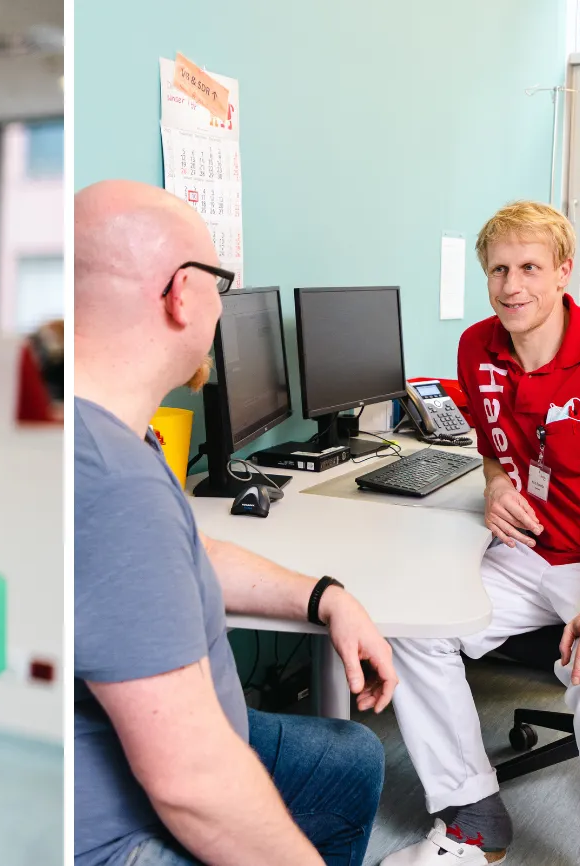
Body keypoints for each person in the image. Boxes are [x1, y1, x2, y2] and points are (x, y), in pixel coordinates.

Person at [73, 179, 399, 866]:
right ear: (182, 294)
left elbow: (186, 554)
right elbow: (192, 785)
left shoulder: (116, 435)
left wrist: (323, 595)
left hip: (186, 750)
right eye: (220, 284)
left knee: (351, 761)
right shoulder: (108, 480)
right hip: (125, 833)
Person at [381, 202, 580, 866]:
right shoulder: (478, 347)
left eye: (529, 267)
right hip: (537, 553)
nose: (512, 286)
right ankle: (472, 819)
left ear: (563, 271)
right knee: (408, 623)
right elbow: (499, 446)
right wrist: (498, 482)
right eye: (499, 269)